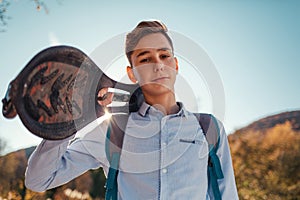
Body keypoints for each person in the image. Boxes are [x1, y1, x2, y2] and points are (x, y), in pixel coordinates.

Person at [25, 20, 239, 199]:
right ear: (132, 73)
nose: (158, 65)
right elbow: (39, 180)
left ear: (175, 65)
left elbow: (226, 194)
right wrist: (66, 120)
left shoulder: (209, 128)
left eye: (164, 56)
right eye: (145, 59)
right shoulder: (113, 132)